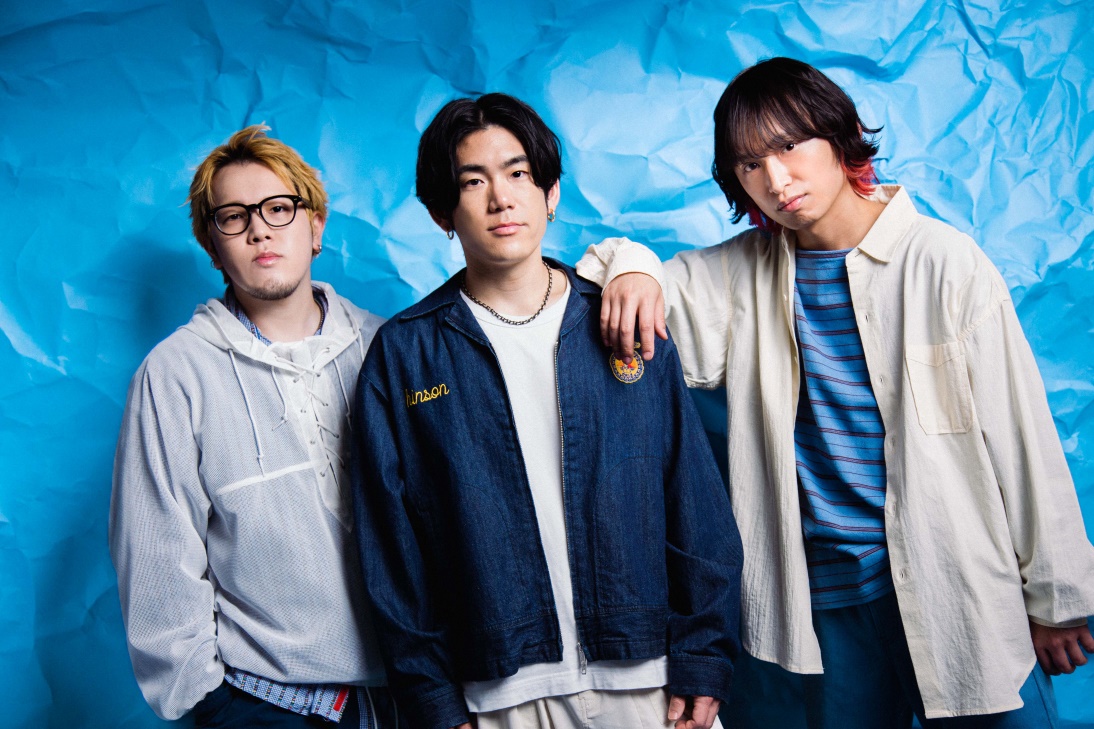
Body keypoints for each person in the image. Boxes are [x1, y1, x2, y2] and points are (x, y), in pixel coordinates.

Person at [577, 57, 1094, 727]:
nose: (775, 180)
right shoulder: (739, 275)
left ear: (840, 136)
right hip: (826, 598)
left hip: (954, 579)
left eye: (790, 146)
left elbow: (1022, 437)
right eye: (750, 164)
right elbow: (613, 279)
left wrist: (1056, 598)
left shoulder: (942, 261)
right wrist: (635, 269)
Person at [351, 93, 742, 729]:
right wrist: (433, 701)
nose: (501, 199)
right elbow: (392, 550)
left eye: (519, 174)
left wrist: (703, 656)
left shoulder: (624, 321)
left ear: (551, 192)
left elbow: (693, 501)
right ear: (442, 212)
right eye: (472, 182)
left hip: (649, 676)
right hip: (497, 691)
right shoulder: (405, 355)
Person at [109, 125, 400, 727]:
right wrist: (211, 703)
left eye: (278, 208)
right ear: (213, 247)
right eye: (234, 217)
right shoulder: (174, 374)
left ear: (315, 226)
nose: (260, 229)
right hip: (269, 706)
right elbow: (156, 555)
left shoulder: (388, 347)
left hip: (412, 696)